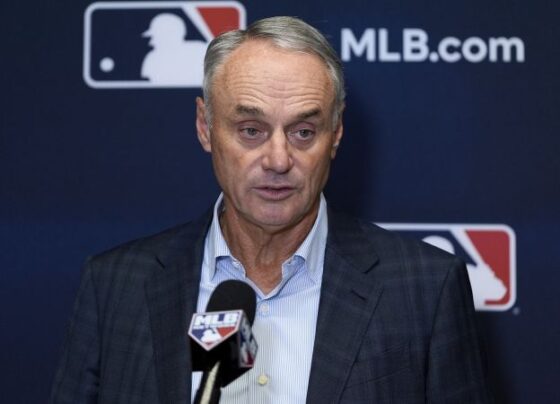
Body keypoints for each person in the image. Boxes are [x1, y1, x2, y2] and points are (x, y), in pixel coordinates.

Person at [51, 16, 492, 403]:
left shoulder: (423, 289)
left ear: (336, 133)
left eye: (303, 131)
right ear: (205, 127)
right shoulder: (115, 286)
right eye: (250, 130)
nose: (278, 159)